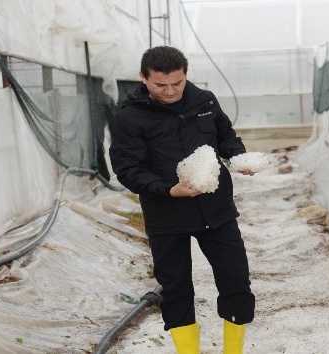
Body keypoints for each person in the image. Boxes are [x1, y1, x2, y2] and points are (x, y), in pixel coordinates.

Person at [108, 46, 255, 354]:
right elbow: (128, 169)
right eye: (161, 85)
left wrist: (239, 157)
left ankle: (234, 351)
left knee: (236, 281)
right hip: (167, 214)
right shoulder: (130, 119)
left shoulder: (205, 101)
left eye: (177, 82)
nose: (171, 90)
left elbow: (226, 136)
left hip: (215, 209)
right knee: (175, 289)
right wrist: (167, 189)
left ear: (185, 74)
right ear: (143, 78)